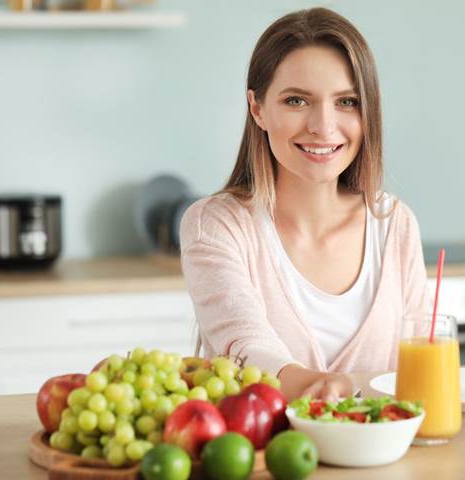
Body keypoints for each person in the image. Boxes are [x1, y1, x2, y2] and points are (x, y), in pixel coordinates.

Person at [180, 7, 428, 402]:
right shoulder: (216, 225)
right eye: (297, 101)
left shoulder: (394, 223)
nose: (323, 126)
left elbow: (424, 361)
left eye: (347, 102)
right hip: (263, 461)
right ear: (258, 108)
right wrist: (329, 388)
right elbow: (245, 348)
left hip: (383, 460)